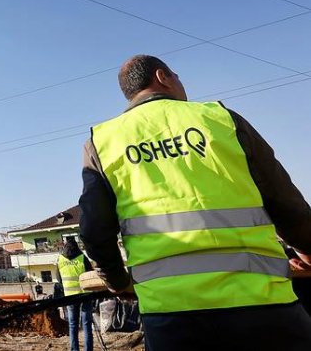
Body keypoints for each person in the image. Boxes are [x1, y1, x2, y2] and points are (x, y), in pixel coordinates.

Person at [79, 54, 311, 350]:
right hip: (263, 303)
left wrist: (118, 281)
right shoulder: (221, 119)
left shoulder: (102, 141)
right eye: (178, 76)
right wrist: (307, 249)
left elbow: (94, 230)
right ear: (163, 77)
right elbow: (286, 203)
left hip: (171, 315)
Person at [57, 238, 93, 351]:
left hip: (70, 297)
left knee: (72, 325)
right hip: (85, 295)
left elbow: (59, 279)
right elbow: (90, 275)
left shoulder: (60, 260)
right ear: (76, 246)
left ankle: (74, 349)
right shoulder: (82, 258)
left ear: (65, 246)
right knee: (86, 325)